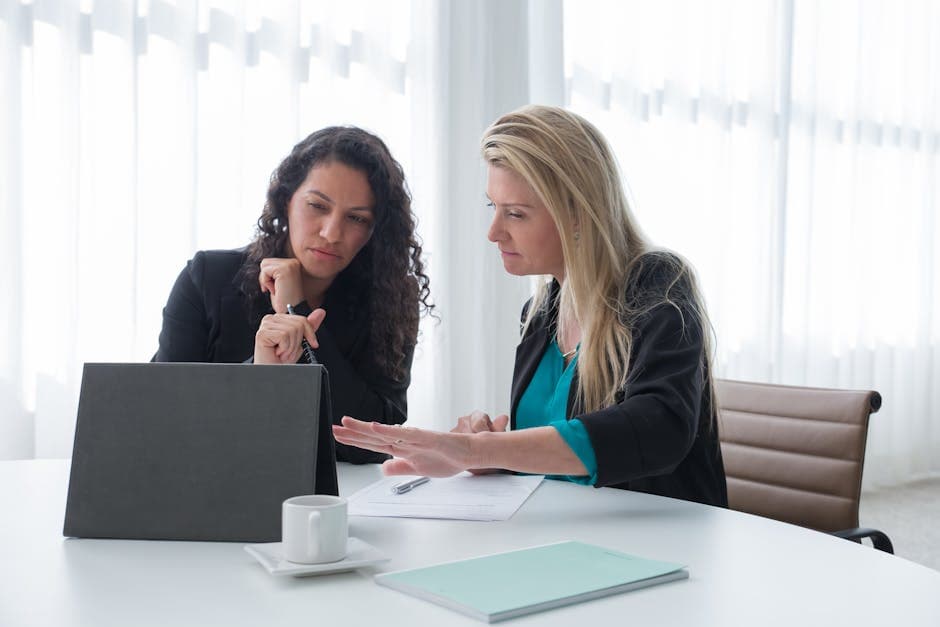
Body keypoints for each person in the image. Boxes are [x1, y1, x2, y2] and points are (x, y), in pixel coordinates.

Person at [333, 106, 727, 505]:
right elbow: (558, 466)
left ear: (577, 215)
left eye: (516, 214)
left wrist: (479, 450)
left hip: (662, 534)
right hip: (568, 531)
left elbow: (659, 428)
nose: (494, 232)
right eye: (493, 207)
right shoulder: (541, 313)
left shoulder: (658, 284)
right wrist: (493, 454)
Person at [153, 126, 433, 464]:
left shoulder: (391, 298)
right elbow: (162, 414)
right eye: (317, 205)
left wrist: (296, 311)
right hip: (208, 481)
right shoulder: (207, 278)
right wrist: (260, 368)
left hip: (338, 491)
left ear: (376, 230)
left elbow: (375, 443)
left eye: (356, 218)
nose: (331, 233)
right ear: (286, 199)